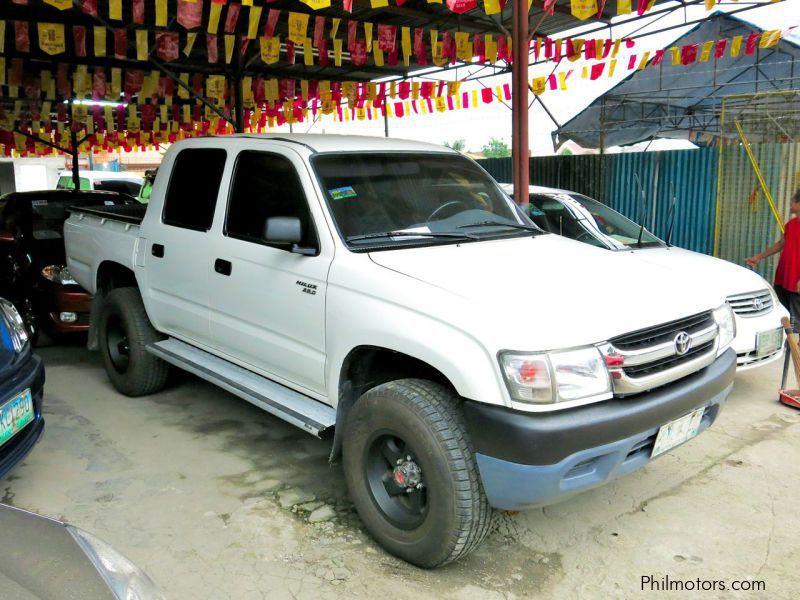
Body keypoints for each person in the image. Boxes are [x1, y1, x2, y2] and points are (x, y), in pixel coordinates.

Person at [746, 189, 800, 321]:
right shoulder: (791, 225)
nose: (790, 203)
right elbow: (780, 244)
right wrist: (759, 257)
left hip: (796, 284)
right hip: (782, 279)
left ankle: (795, 341)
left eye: (793, 201)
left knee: (796, 321)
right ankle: (787, 341)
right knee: (783, 317)